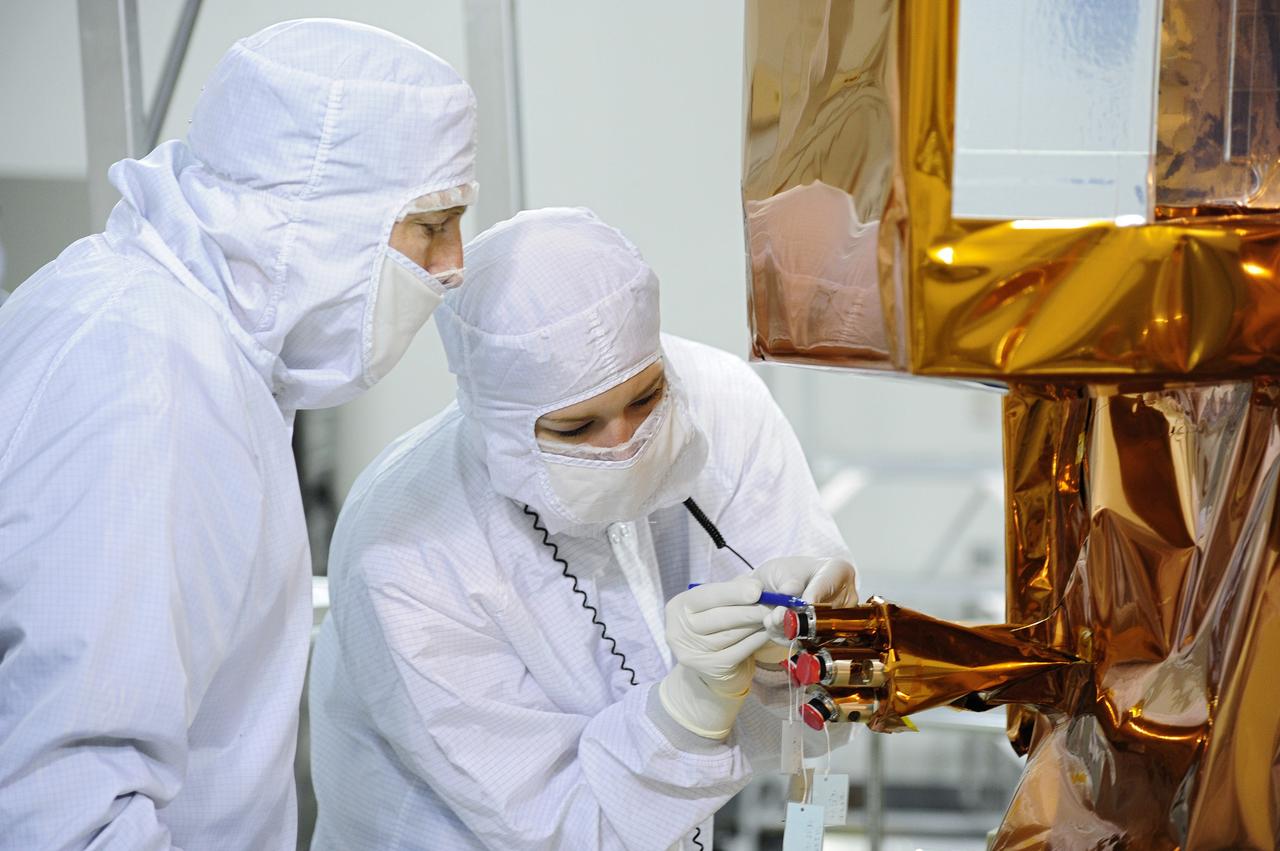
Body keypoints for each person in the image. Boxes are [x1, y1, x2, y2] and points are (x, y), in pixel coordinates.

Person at [0, 19, 475, 849]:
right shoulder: (144, 371)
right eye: (431, 225)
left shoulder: (195, 351)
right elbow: (68, 804)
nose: (453, 264)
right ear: (320, 218)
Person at [308, 207, 859, 850]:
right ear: (496, 420)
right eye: (576, 428)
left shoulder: (723, 407)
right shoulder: (409, 546)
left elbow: (814, 715)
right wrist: (689, 709)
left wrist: (795, 657)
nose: (624, 445)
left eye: (646, 398)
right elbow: (560, 828)